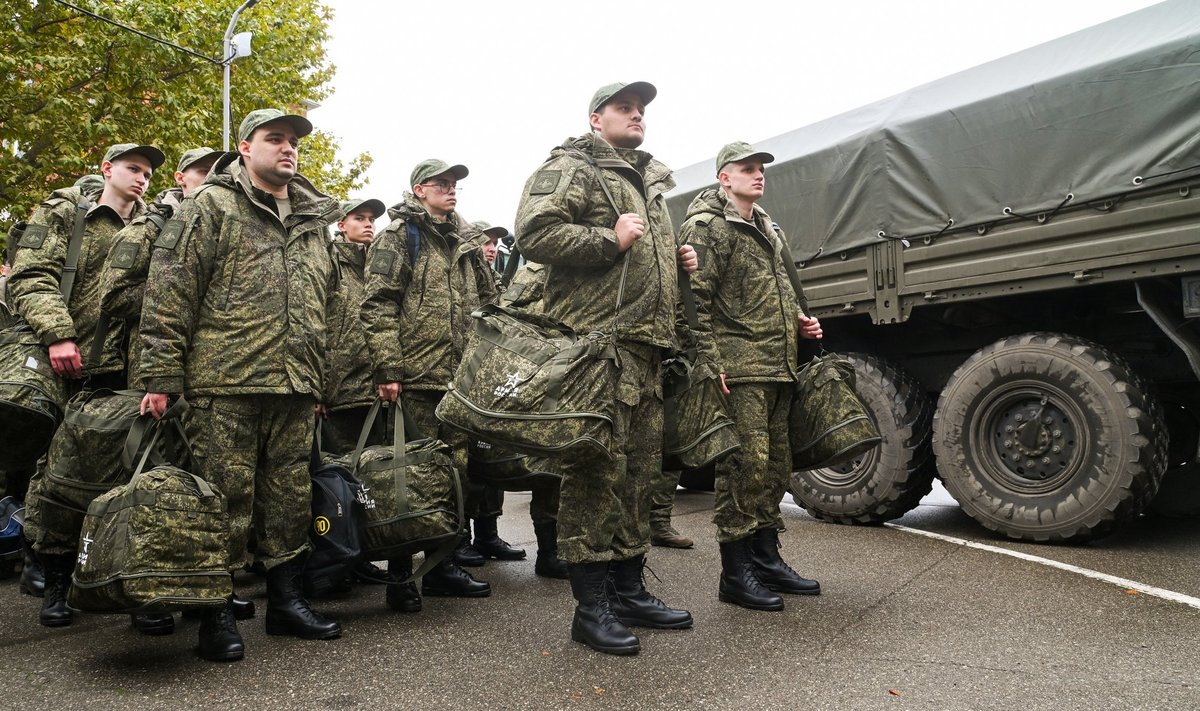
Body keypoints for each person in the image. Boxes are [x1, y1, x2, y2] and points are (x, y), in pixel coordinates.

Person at [139, 109, 343, 662]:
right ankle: (216, 614)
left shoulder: (310, 218)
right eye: (274, 139)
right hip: (224, 379)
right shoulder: (213, 204)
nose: (287, 148)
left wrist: (323, 376)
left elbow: (329, 301)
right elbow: (171, 289)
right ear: (244, 147)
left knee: (288, 499)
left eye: (293, 141)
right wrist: (160, 377)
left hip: (295, 382)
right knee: (224, 500)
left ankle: (286, 602)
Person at [514, 81, 699, 655]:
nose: (636, 114)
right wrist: (608, 239)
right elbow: (533, 232)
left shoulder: (650, 181)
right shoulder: (571, 166)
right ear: (596, 119)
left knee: (640, 478)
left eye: (640, 109)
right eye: (624, 107)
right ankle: (591, 609)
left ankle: (629, 588)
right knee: (595, 478)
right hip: (597, 348)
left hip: (645, 351)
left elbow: (648, 264)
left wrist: (677, 262)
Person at [8, 143, 164, 629]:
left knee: (121, 471)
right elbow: (31, 275)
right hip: (68, 363)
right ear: (107, 170)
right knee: (56, 474)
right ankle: (54, 579)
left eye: (147, 173)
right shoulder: (65, 211)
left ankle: (114, 577)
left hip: (126, 368)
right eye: (132, 169)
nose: (140, 179)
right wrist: (59, 333)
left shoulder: (154, 224)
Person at [679, 141, 824, 612]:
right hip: (739, 369)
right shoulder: (709, 228)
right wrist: (710, 362)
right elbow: (693, 302)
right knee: (745, 468)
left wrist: (802, 325)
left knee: (776, 466)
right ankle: (735, 572)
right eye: (747, 169)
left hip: (777, 365)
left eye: (761, 168)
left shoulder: (766, 226)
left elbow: (777, 293)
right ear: (724, 177)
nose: (758, 174)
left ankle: (765, 558)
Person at [361, 159, 497, 611]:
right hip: (415, 378)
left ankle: (442, 566)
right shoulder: (399, 237)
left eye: (454, 183)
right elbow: (378, 304)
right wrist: (389, 368)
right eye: (440, 183)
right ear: (419, 189)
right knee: (409, 474)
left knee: (455, 474)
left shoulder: (466, 242)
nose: (450, 189)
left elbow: (490, 304)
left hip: (460, 379)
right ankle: (401, 575)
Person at [453, 220, 527, 568]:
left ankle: (487, 534)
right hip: (459, 375)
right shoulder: (462, 273)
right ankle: (461, 537)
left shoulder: (495, 280)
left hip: (488, 376)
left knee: (489, 456)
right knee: (463, 463)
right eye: (485, 241)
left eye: (496, 242)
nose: (492, 247)